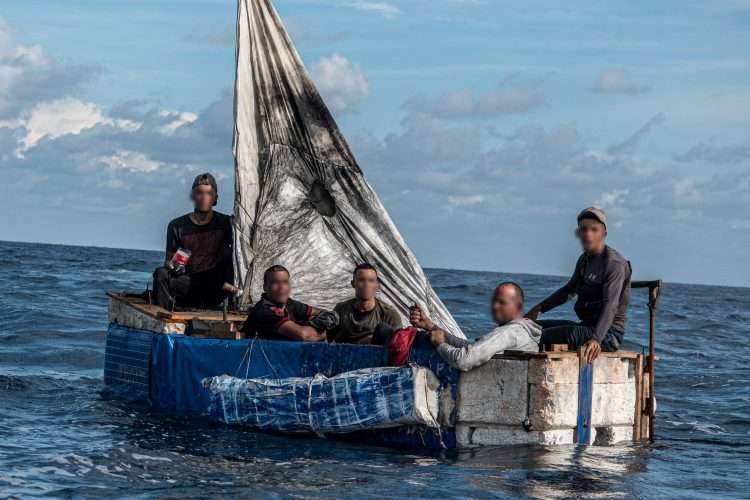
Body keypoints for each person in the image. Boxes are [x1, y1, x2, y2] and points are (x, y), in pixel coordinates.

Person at [526, 207, 631, 362]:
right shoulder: (584, 260)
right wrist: (539, 308)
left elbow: (611, 305)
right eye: (584, 229)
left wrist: (596, 339)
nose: (588, 234)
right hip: (586, 327)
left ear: (604, 233)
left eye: (594, 230)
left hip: (608, 335)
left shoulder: (613, 264)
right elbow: (569, 290)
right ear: (579, 233)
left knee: (540, 337)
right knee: (530, 328)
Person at [409, 282, 542, 372]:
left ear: (518, 306)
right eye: (494, 301)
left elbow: (463, 360)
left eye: (502, 303)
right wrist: (431, 326)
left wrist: (440, 344)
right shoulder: (522, 329)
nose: (495, 306)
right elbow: (472, 347)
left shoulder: (507, 333)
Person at [152, 173, 233, 310]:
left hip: (216, 286)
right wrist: (171, 265)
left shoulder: (226, 223)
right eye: (199, 193)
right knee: (161, 274)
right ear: (193, 197)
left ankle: (231, 307)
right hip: (188, 283)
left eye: (209, 193)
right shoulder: (177, 225)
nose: (204, 198)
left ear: (215, 198)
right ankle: (165, 317)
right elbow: (168, 261)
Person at [242, 265, 336, 342]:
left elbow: (319, 312)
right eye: (275, 283)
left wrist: (318, 321)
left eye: (285, 282)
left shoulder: (290, 304)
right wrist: (325, 332)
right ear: (265, 287)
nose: (281, 287)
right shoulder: (264, 311)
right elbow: (304, 336)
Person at [329, 263, 404, 344]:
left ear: (377, 285)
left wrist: (371, 339)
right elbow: (326, 338)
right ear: (353, 284)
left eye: (371, 281)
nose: (366, 285)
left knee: (383, 330)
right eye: (361, 280)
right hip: (342, 355)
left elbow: (399, 344)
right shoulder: (341, 309)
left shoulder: (388, 313)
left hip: (375, 356)